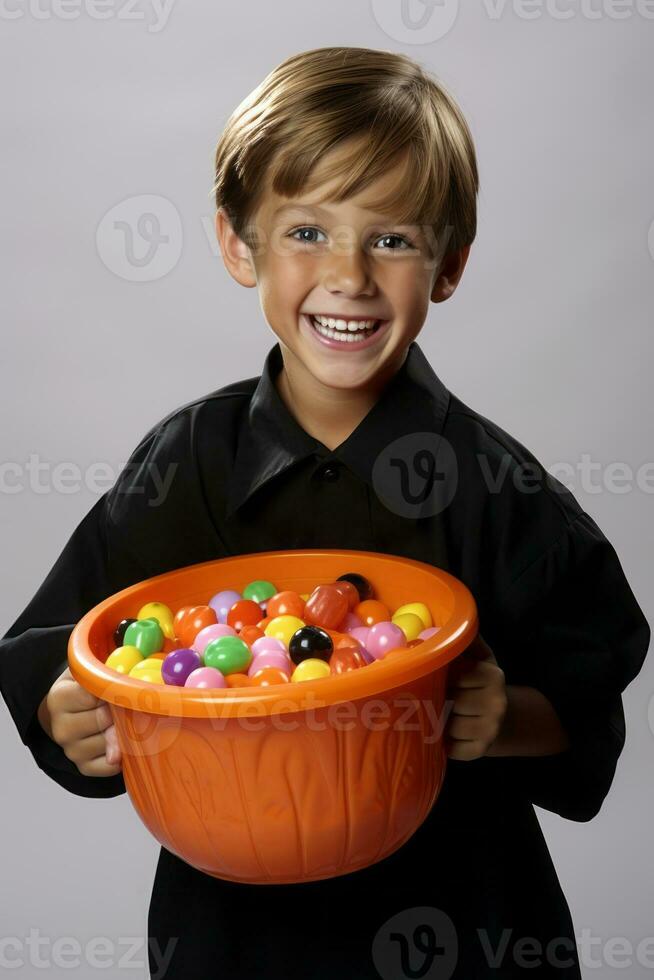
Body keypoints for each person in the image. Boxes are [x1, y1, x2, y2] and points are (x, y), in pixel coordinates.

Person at [0, 46, 650, 979]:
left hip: (465, 920)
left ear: (450, 263)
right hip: (235, 937)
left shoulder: (496, 484)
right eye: (307, 231)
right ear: (238, 244)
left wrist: (505, 720)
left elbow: (592, 691)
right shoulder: (184, 464)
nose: (348, 274)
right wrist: (70, 716)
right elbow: (66, 652)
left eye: (391, 239)